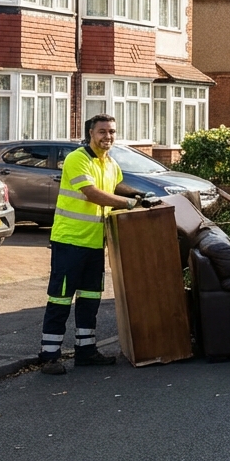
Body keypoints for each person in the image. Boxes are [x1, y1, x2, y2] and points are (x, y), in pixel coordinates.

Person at [39, 115, 155, 375]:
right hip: (70, 241)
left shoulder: (110, 163)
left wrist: (138, 194)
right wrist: (129, 204)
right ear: (90, 133)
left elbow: (116, 186)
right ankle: (49, 356)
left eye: (112, 131)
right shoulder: (77, 159)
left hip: (94, 243)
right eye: (102, 131)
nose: (108, 136)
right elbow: (91, 193)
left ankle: (86, 351)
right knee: (60, 298)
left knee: (90, 298)